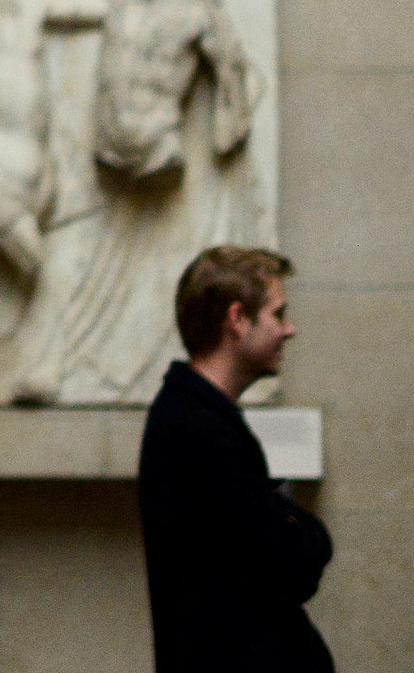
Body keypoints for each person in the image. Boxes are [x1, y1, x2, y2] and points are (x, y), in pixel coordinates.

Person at [138, 246, 332, 672]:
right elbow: (291, 564)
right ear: (238, 319)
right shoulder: (198, 427)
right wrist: (311, 532)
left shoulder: (195, 415)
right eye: (278, 314)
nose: (290, 330)